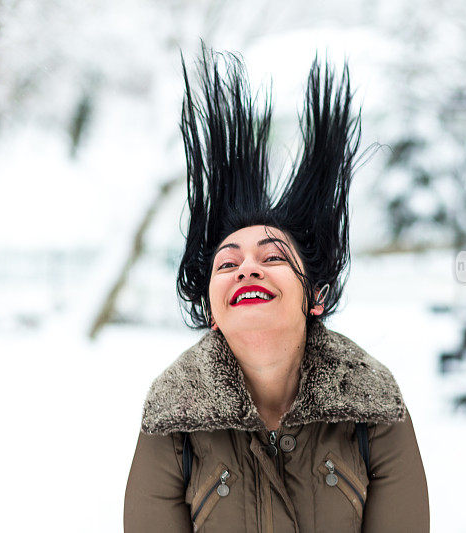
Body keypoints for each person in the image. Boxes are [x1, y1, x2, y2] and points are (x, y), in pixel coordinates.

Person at [124, 45, 429, 533]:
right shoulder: (171, 421)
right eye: (228, 263)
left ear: (315, 297)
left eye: (272, 258)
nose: (247, 268)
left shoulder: (374, 412)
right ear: (212, 308)